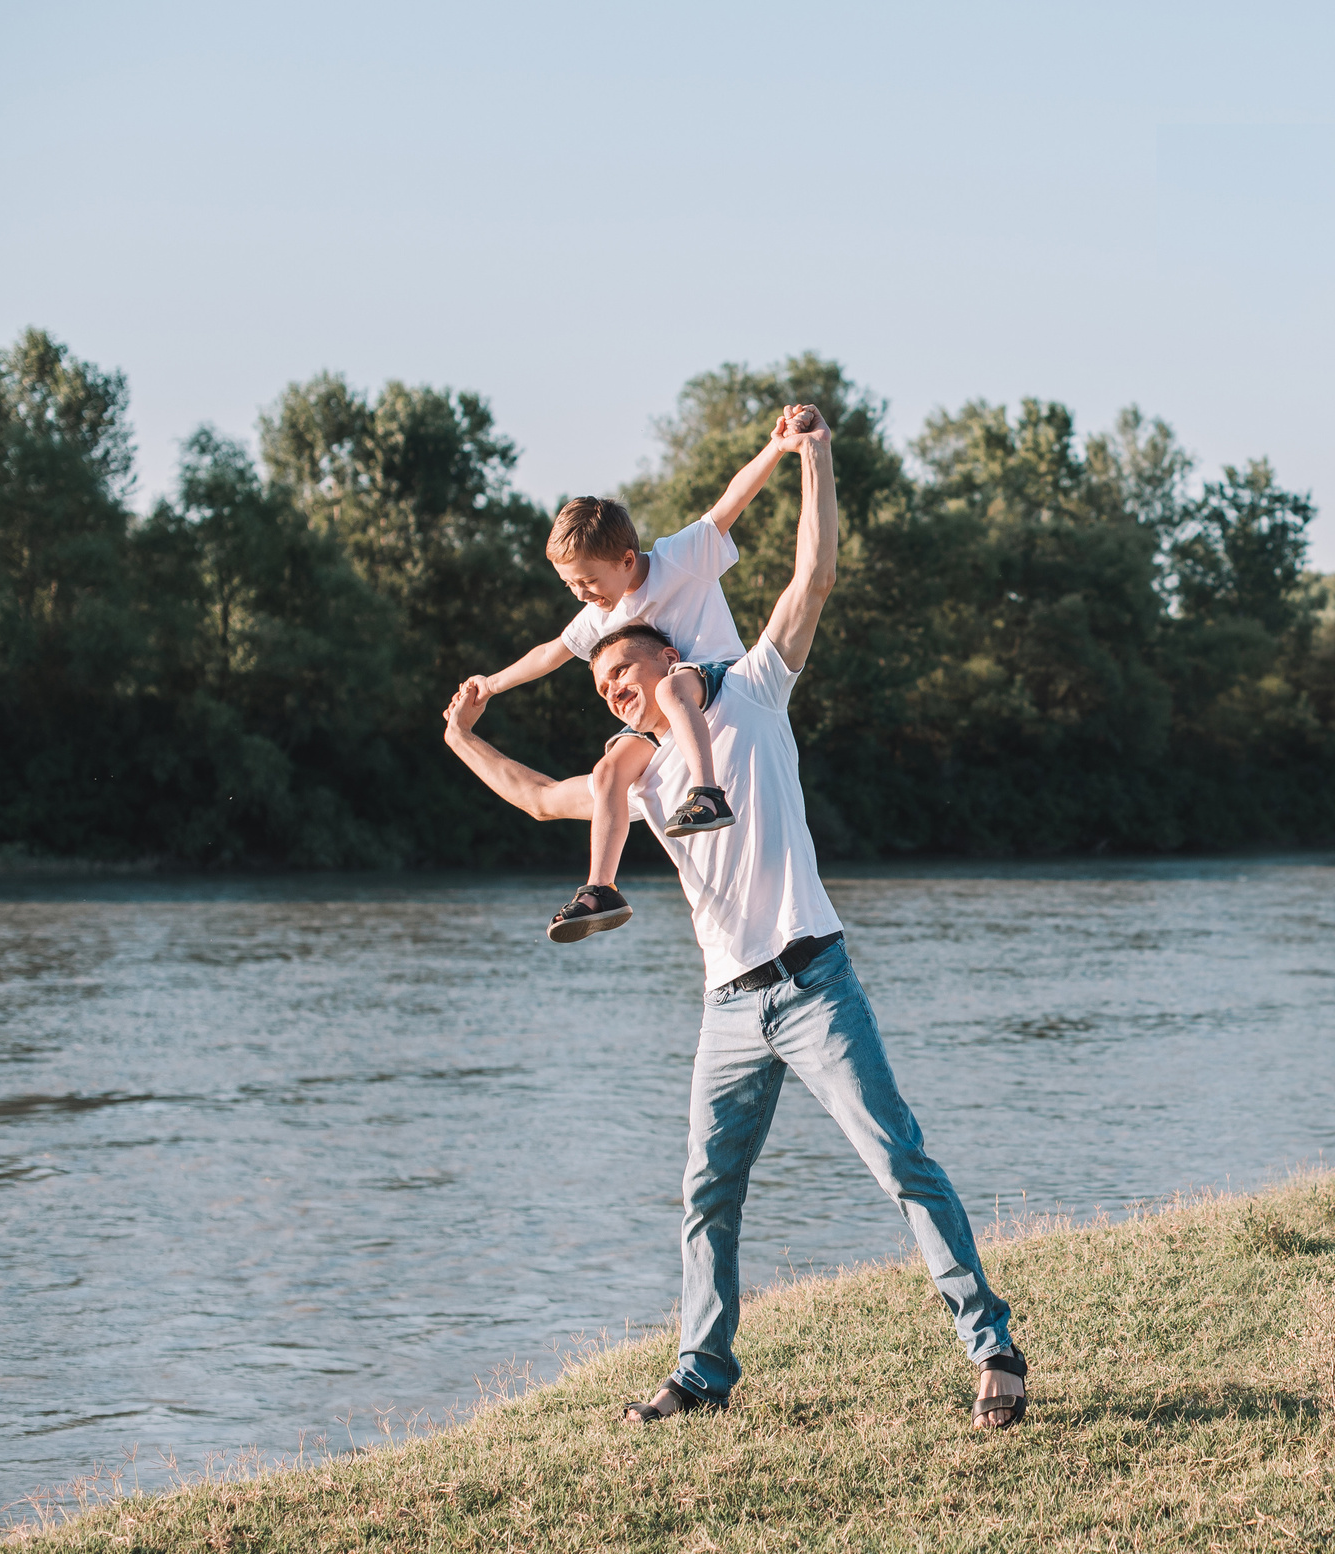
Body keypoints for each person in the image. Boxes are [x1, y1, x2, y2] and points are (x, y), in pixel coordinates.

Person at [438, 407, 1029, 1430]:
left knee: (900, 1162)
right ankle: (701, 1372)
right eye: (603, 691)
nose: (615, 697)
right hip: (725, 1008)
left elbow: (814, 575)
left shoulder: (752, 690)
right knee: (705, 1193)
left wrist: (815, 461)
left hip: (811, 980)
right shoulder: (642, 773)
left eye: (624, 675)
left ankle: (995, 1349)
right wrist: (458, 735)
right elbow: (539, 796)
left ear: (666, 650)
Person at [458, 417, 802, 944]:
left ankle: (707, 793)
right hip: (663, 713)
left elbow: (732, 501)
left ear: (625, 559)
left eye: (588, 581)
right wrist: (492, 685)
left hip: (714, 679)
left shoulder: (679, 559)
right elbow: (550, 653)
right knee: (608, 771)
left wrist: (777, 449)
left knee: (670, 686)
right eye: (570, 585)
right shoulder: (601, 613)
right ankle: (601, 887)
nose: (581, 595)